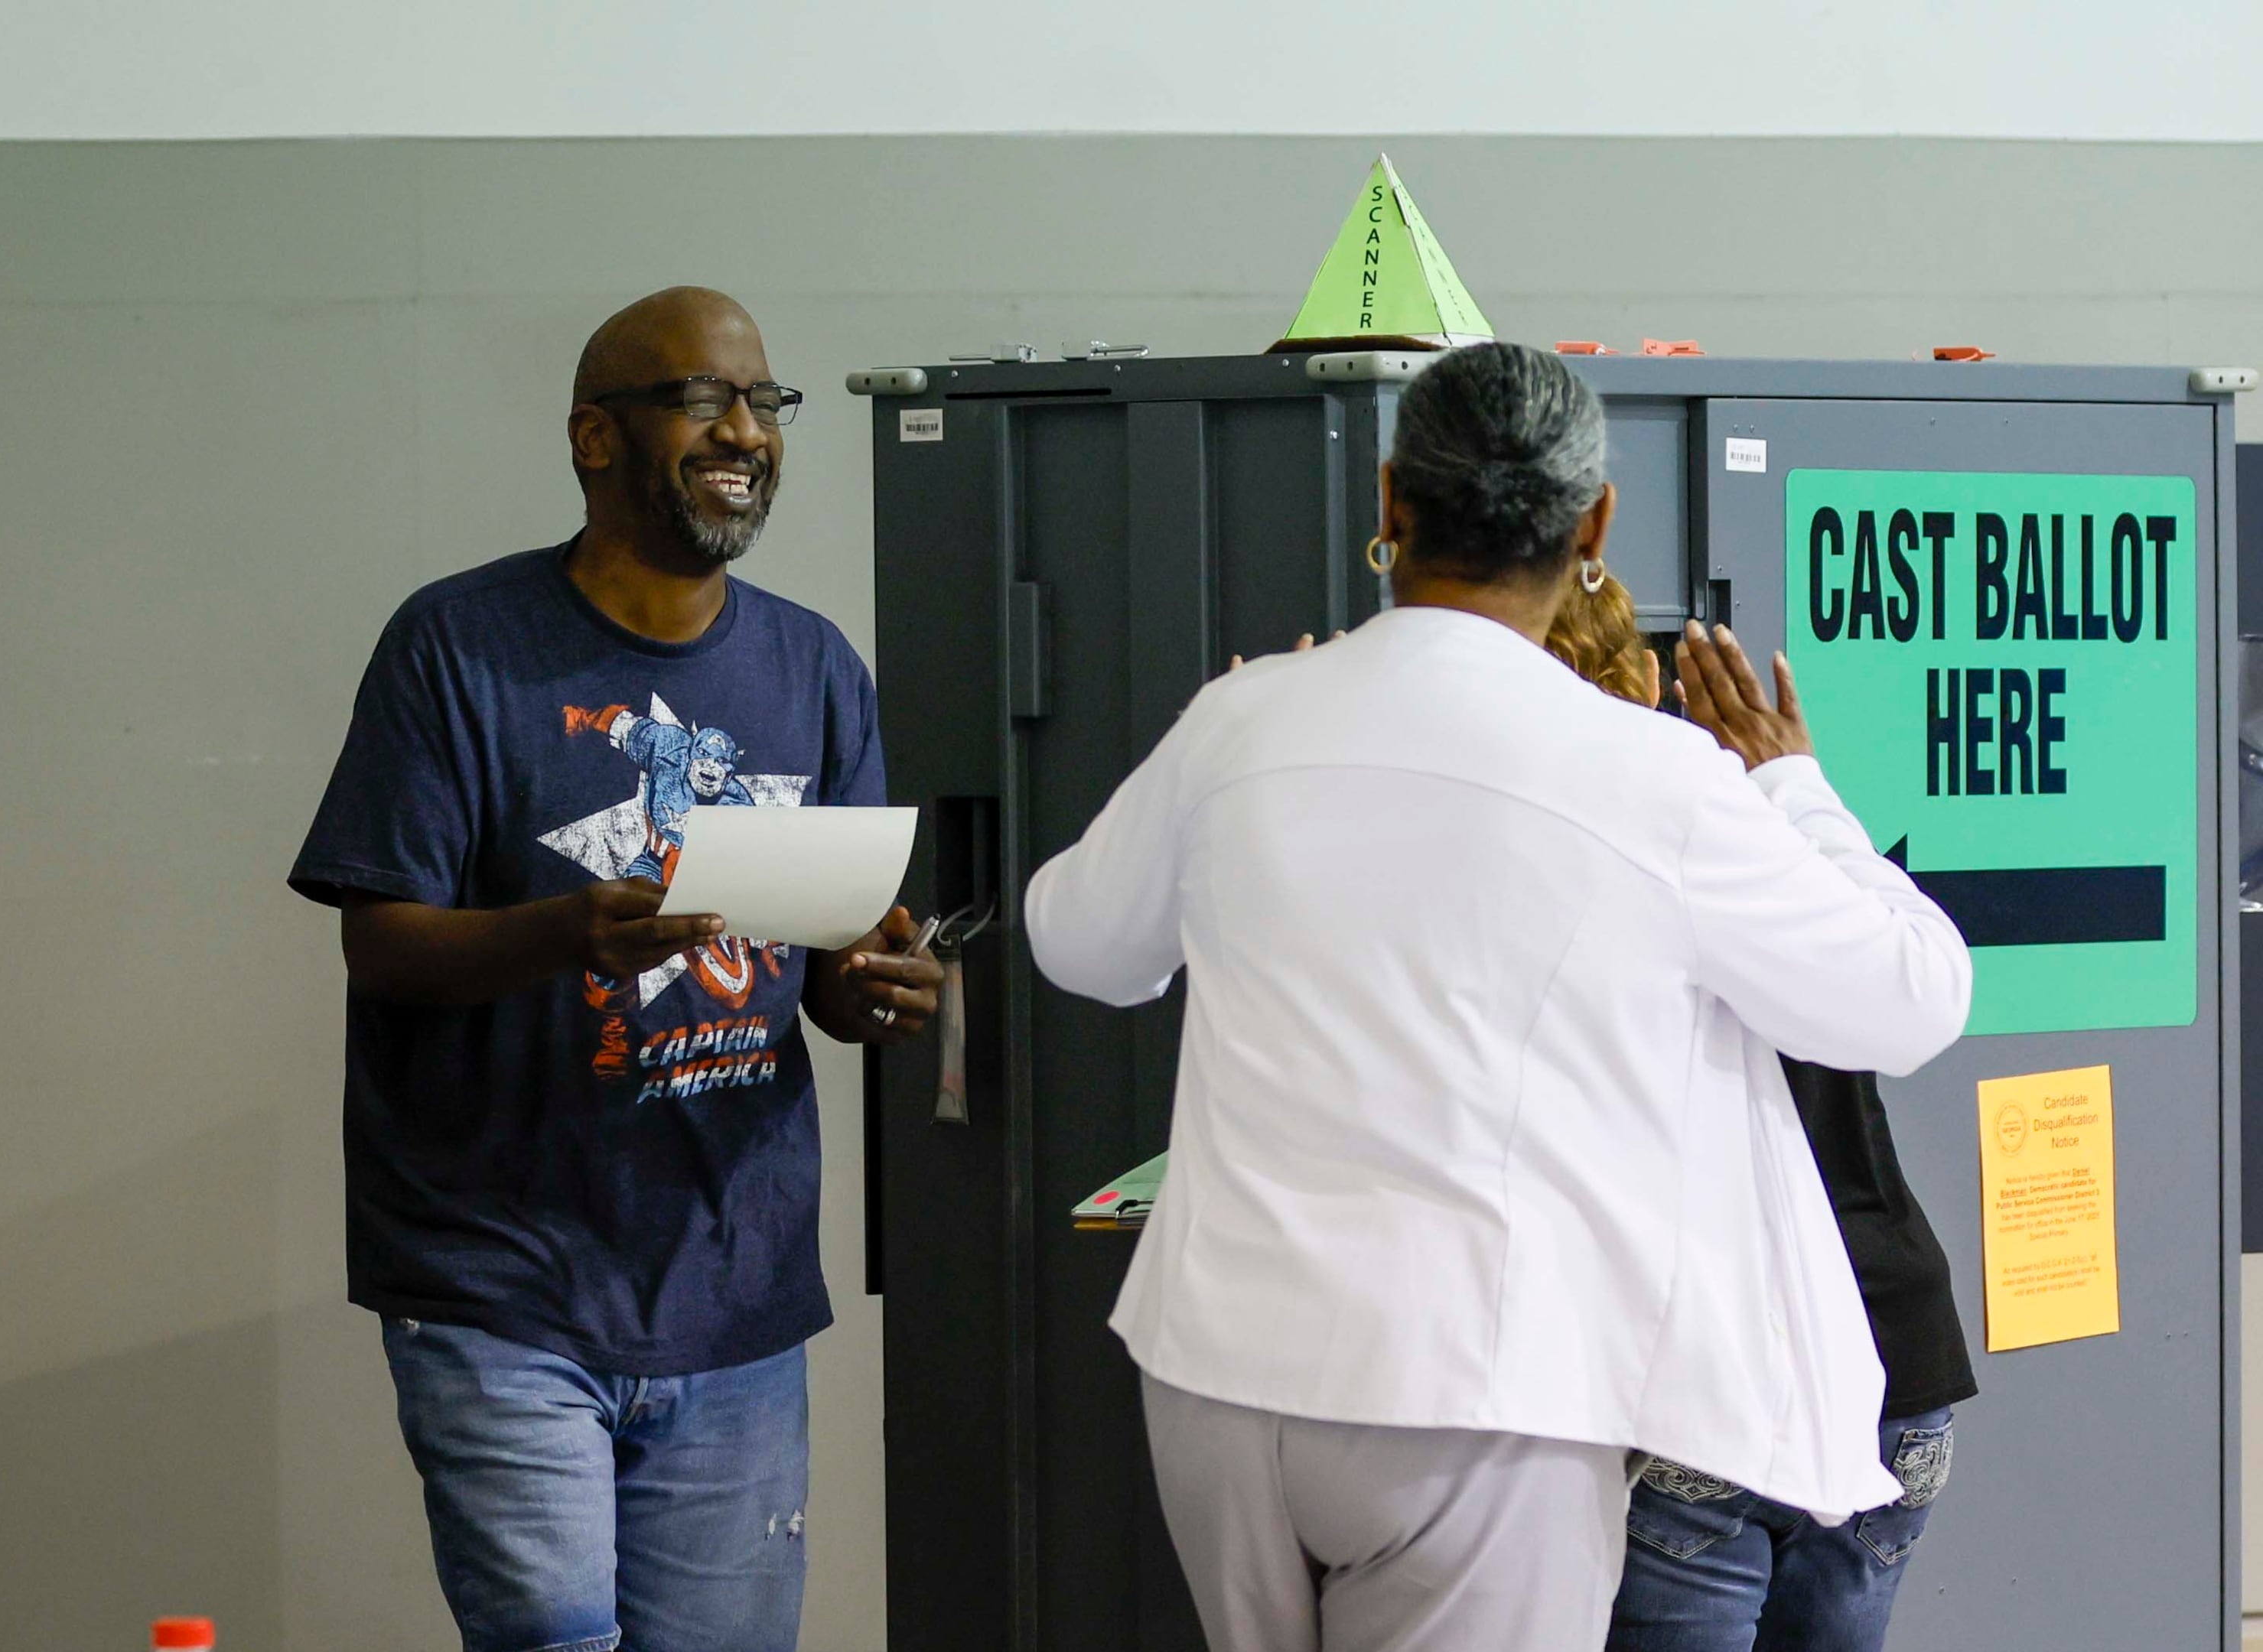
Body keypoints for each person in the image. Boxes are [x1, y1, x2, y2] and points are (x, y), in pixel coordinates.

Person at [1023, 342, 1971, 1652]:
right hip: (1476, 1401)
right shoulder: (1653, 777)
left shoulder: (1240, 722)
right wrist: (1796, 788)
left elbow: (1078, 943)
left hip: (1218, 1378)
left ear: (1392, 504)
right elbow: (1914, 998)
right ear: (1595, 523)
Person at [290, 286, 943, 1652]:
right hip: (504, 1284)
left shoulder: (812, 665)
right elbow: (381, 941)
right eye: (705, 398)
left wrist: (869, 987)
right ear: (595, 436)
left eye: (767, 402)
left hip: (735, 1289)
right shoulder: (460, 648)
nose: (747, 431)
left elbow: (819, 970)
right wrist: (565, 930)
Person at [1544, 574, 1975, 1652]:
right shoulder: (1765, 845)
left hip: (1714, 1389)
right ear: (1646, 679)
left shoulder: (1557, 870)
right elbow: (1918, 969)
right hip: (1898, 1360)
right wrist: (1796, 782)